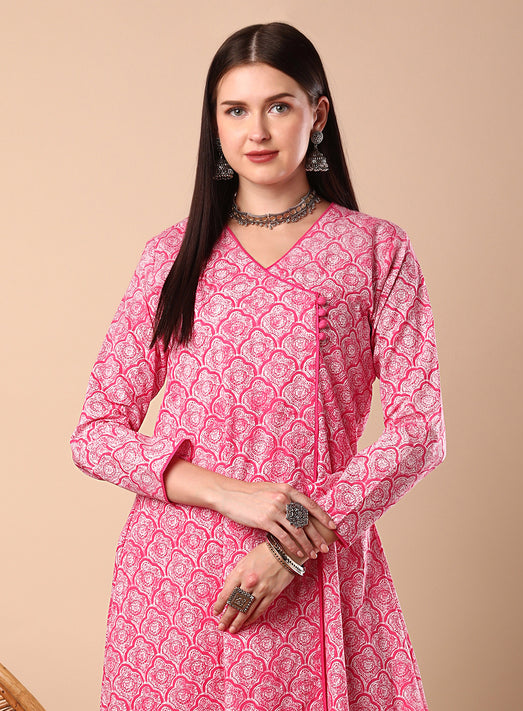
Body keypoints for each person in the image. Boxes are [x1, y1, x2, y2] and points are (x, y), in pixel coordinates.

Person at [71, 22, 446, 711]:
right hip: (174, 574)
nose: (258, 131)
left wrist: (290, 544)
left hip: (314, 563)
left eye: (279, 105)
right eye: (235, 110)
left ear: (318, 114)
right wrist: (227, 493)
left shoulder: (375, 251)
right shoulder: (172, 256)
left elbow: (419, 432)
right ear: (214, 124)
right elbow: (95, 433)